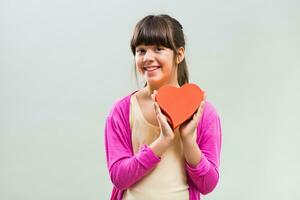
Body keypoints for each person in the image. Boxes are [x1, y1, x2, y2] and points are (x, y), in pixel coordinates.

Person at [104, 14, 222, 200]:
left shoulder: (204, 112)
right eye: (141, 51)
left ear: (179, 54)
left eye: (158, 49)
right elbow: (119, 177)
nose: (147, 58)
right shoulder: (122, 111)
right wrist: (162, 142)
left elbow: (208, 184)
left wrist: (188, 140)